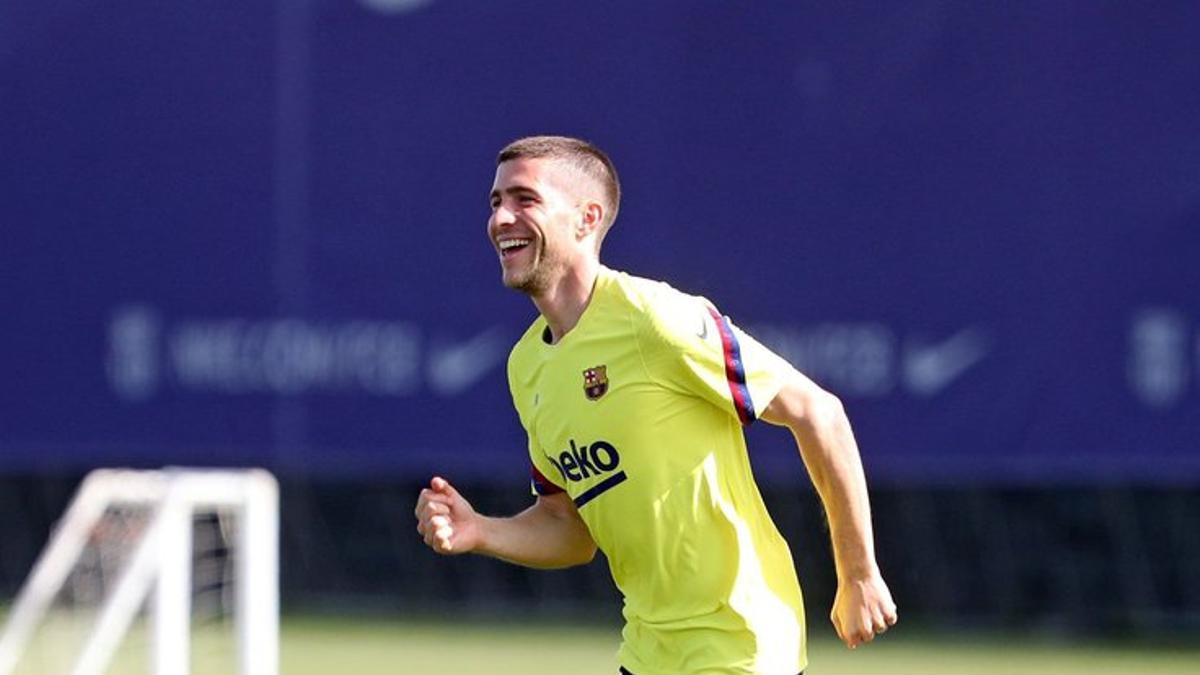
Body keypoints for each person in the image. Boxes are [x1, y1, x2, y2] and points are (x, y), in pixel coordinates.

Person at [415, 135, 897, 674]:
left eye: (524, 199)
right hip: (648, 651)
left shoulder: (655, 319)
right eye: (495, 202)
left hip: (738, 643)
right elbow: (569, 528)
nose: (501, 218)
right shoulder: (527, 366)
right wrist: (480, 529)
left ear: (586, 218)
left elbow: (819, 413)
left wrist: (858, 573)